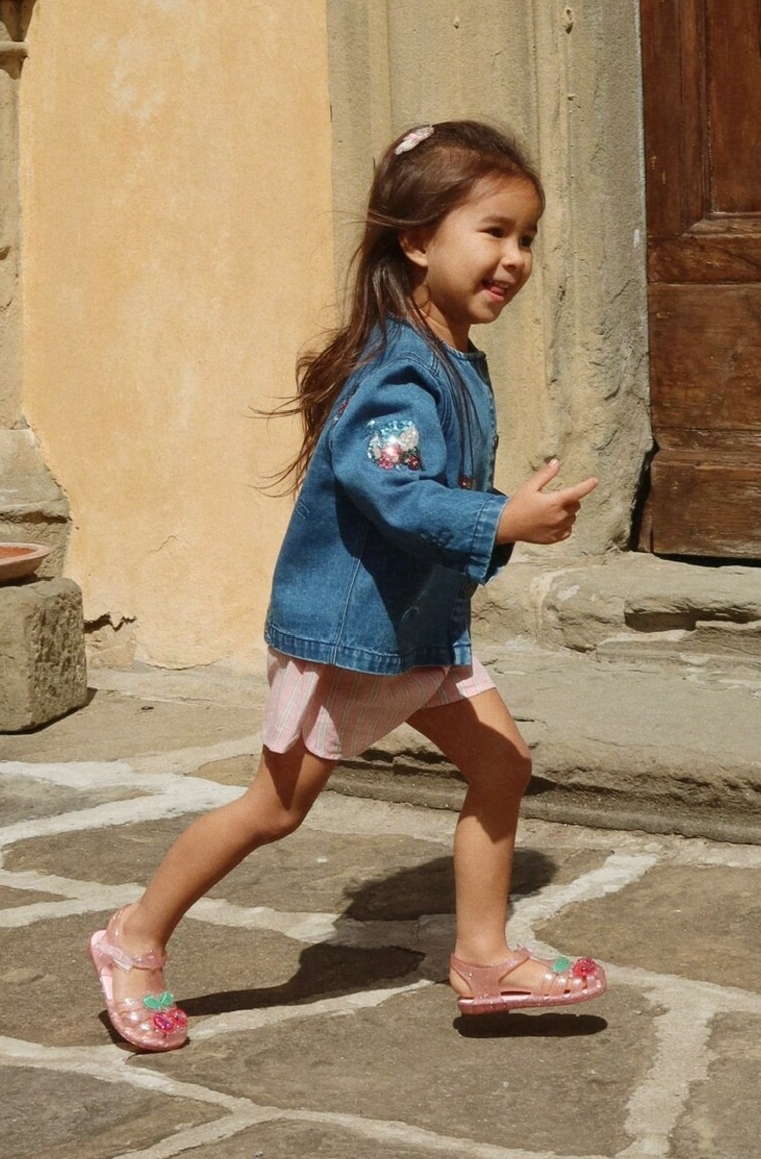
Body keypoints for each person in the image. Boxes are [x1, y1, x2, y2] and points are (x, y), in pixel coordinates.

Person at [89, 119, 606, 1050]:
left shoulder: (451, 357)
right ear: (416, 240)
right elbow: (394, 493)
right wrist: (500, 519)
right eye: (494, 231)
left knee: (502, 764)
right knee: (274, 809)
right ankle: (133, 938)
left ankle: (484, 958)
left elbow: (425, 502)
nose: (516, 257)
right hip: (350, 635)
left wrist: (502, 519)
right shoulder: (399, 369)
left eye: (527, 237)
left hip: (415, 632)